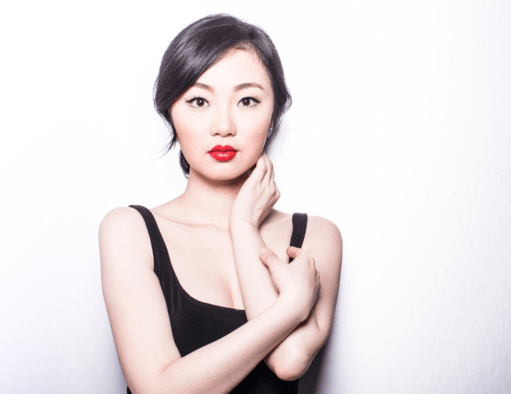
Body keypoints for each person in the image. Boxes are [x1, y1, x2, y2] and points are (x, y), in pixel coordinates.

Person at [99, 14, 342, 394]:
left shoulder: (317, 236)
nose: (223, 126)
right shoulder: (130, 230)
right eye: (199, 100)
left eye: (247, 100)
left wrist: (244, 226)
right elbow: (158, 389)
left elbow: (288, 360)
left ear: (274, 114)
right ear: (170, 112)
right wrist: (290, 308)